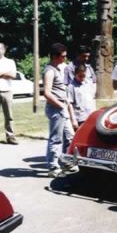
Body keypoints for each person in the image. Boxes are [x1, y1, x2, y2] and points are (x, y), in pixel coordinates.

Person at [43, 43, 72, 177]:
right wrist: (60, 105)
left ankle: (65, 162)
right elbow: (47, 93)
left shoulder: (59, 68)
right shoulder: (49, 70)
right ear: (55, 56)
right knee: (56, 139)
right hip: (56, 108)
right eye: (63, 56)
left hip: (62, 108)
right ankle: (53, 167)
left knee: (69, 136)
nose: (65, 59)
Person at [67, 64, 97, 130]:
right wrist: (73, 119)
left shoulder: (88, 83)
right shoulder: (71, 87)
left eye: (84, 76)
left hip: (90, 115)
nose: (82, 78)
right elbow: (70, 104)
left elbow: (92, 98)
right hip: (80, 117)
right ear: (75, 74)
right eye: (80, 76)